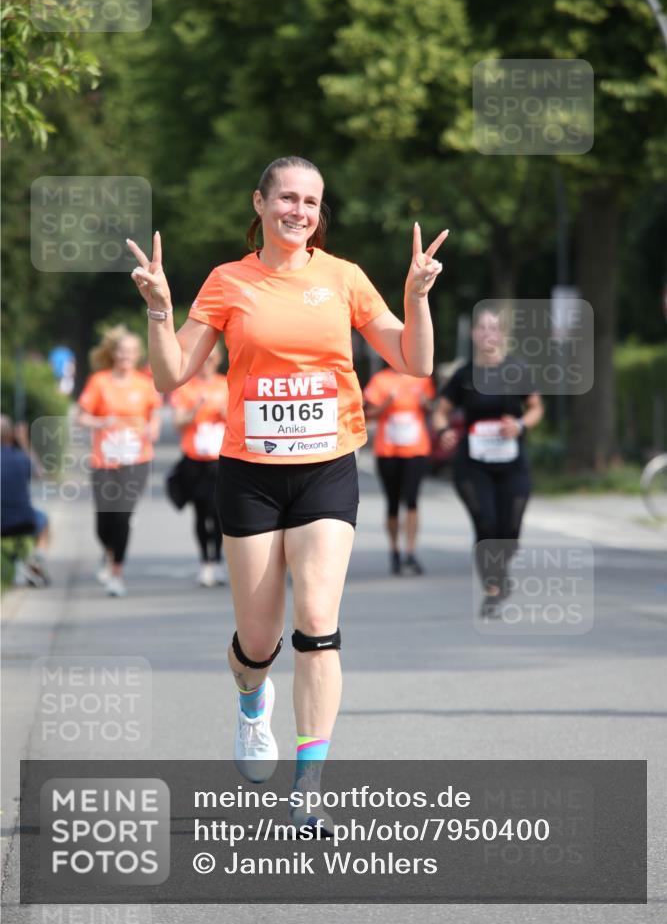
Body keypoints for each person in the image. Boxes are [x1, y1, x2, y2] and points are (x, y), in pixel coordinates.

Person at [127, 155, 447, 832]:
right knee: (258, 638)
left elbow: (414, 361)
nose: (299, 211)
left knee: (318, 625)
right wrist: (158, 313)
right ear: (261, 203)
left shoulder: (343, 279)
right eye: (287, 198)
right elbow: (170, 376)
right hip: (249, 474)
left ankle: (309, 784)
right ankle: (251, 703)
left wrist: (416, 297)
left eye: (310, 201)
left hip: (327, 467)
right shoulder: (227, 282)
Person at [432, 306, 543, 617]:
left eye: (494, 329)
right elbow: (440, 411)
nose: (487, 334)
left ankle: (500, 571)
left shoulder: (516, 370)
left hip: (512, 463)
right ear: (473, 334)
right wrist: (443, 431)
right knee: (486, 523)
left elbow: (535, 408)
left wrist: (520, 425)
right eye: (482, 329)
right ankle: (493, 588)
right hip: (473, 463)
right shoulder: (464, 375)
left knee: (509, 528)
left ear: (502, 335)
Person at [76, 326, 162, 598]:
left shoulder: (145, 383)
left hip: (136, 458)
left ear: (138, 355)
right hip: (105, 459)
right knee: (104, 521)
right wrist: (100, 421)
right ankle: (109, 550)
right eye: (122, 351)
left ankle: (116, 573)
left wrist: (153, 428)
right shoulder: (99, 381)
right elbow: (81, 416)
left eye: (131, 352)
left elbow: (155, 414)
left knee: (123, 514)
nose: (126, 356)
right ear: (113, 353)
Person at [363, 365, 435, 575]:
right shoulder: (380, 380)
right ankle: (394, 550)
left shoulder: (421, 377)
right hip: (388, 451)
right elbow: (367, 414)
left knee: (412, 500)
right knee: (393, 502)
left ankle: (410, 552)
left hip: (416, 449)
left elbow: (433, 407)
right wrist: (387, 403)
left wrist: (425, 403)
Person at [169, 345, 229, 587]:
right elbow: (178, 423)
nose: (207, 362)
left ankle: (218, 560)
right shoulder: (187, 387)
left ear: (219, 359)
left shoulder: (227, 384)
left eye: (211, 357)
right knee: (200, 512)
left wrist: (226, 413)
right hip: (194, 460)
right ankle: (205, 562)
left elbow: (240, 418)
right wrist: (195, 409)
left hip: (221, 460)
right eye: (203, 357)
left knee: (220, 514)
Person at [1, 415, 50, 586]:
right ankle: (34, 561)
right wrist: (24, 441)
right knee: (44, 521)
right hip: (25, 521)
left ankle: (20, 566)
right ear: (12, 435)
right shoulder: (21, 459)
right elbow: (39, 472)